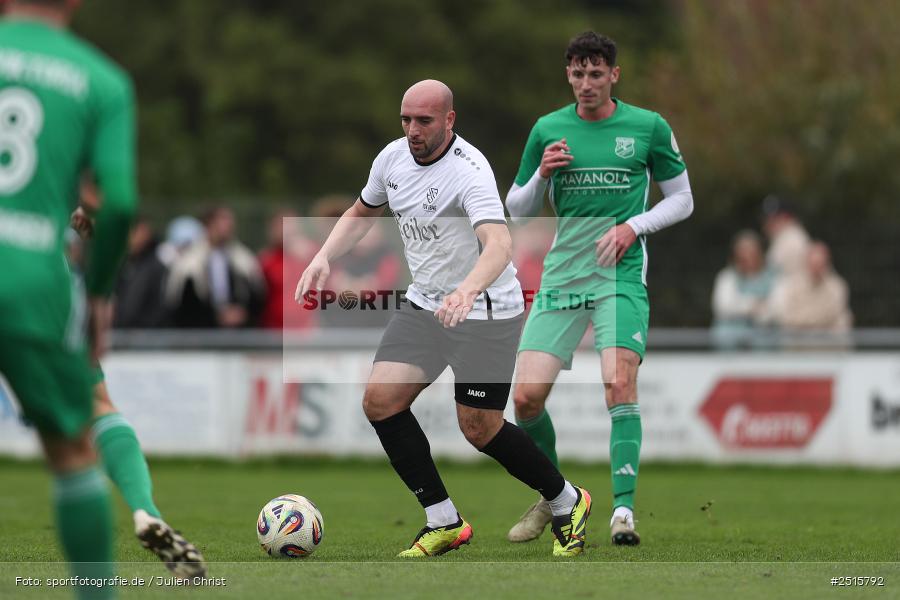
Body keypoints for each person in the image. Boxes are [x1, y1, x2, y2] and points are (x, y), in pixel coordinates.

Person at [296, 80, 591, 557]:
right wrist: (323, 256)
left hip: (486, 310)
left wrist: (467, 290)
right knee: (380, 402)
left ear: (449, 120)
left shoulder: (469, 171)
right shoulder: (391, 158)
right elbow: (362, 212)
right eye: (406, 119)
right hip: (425, 304)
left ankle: (566, 500)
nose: (412, 130)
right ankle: (443, 520)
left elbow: (499, 244)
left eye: (424, 120)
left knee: (479, 428)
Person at [504, 32, 693, 546]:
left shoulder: (647, 127)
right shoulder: (548, 129)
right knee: (525, 399)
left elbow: (683, 199)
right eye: (577, 74)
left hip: (619, 275)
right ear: (568, 75)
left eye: (595, 73)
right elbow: (517, 209)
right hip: (563, 275)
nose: (586, 83)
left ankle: (623, 513)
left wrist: (634, 226)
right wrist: (541, 175)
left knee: (619, 384)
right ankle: (557, 497)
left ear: (614, 75)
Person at [0, 1, 135, 596]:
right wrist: (99, 295)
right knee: (73, 450)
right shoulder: (101, 79)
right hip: (35, 280)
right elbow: (120, 202)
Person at [71, 197, 206, 578]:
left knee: (69, 438)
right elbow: (108, 210)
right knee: (96, 407)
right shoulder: (58, 174)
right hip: (47, 293)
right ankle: (146, 510)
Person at [165, 205, 266, 328]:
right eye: (222, 220)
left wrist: (242, 313)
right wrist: (215, 316)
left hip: (238, 331)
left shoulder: (243, 259)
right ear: (209, 224)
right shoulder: (190, 263)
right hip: (202, 331)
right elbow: (180, 303)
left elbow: (256, 297)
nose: (228, 226)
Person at [765, 241, 852, 347]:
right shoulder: (792, 286)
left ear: (827, 264)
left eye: (820, 264)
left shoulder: (837, 287)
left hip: (827, 346)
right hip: (799, 346)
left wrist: (806, 323)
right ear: (806, 263)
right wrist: (820, 322)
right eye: (813, 264)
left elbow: (836, 316)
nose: (816, 268)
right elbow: (789, 318)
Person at [711, 230, 774, 349]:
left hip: (763, 338)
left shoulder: (772, 277)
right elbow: (723, 307)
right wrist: (752, 305)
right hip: (730, 342)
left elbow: (775, 308)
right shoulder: (727, 276)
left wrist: (741, 305)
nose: (747, 257)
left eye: (752, 252)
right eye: (743, 253)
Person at [112, 216, 170, 328]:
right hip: (126, 333)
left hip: (148, 334)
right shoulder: (125, 265)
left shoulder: (156, 267)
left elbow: (160, 308)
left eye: (134, 232)